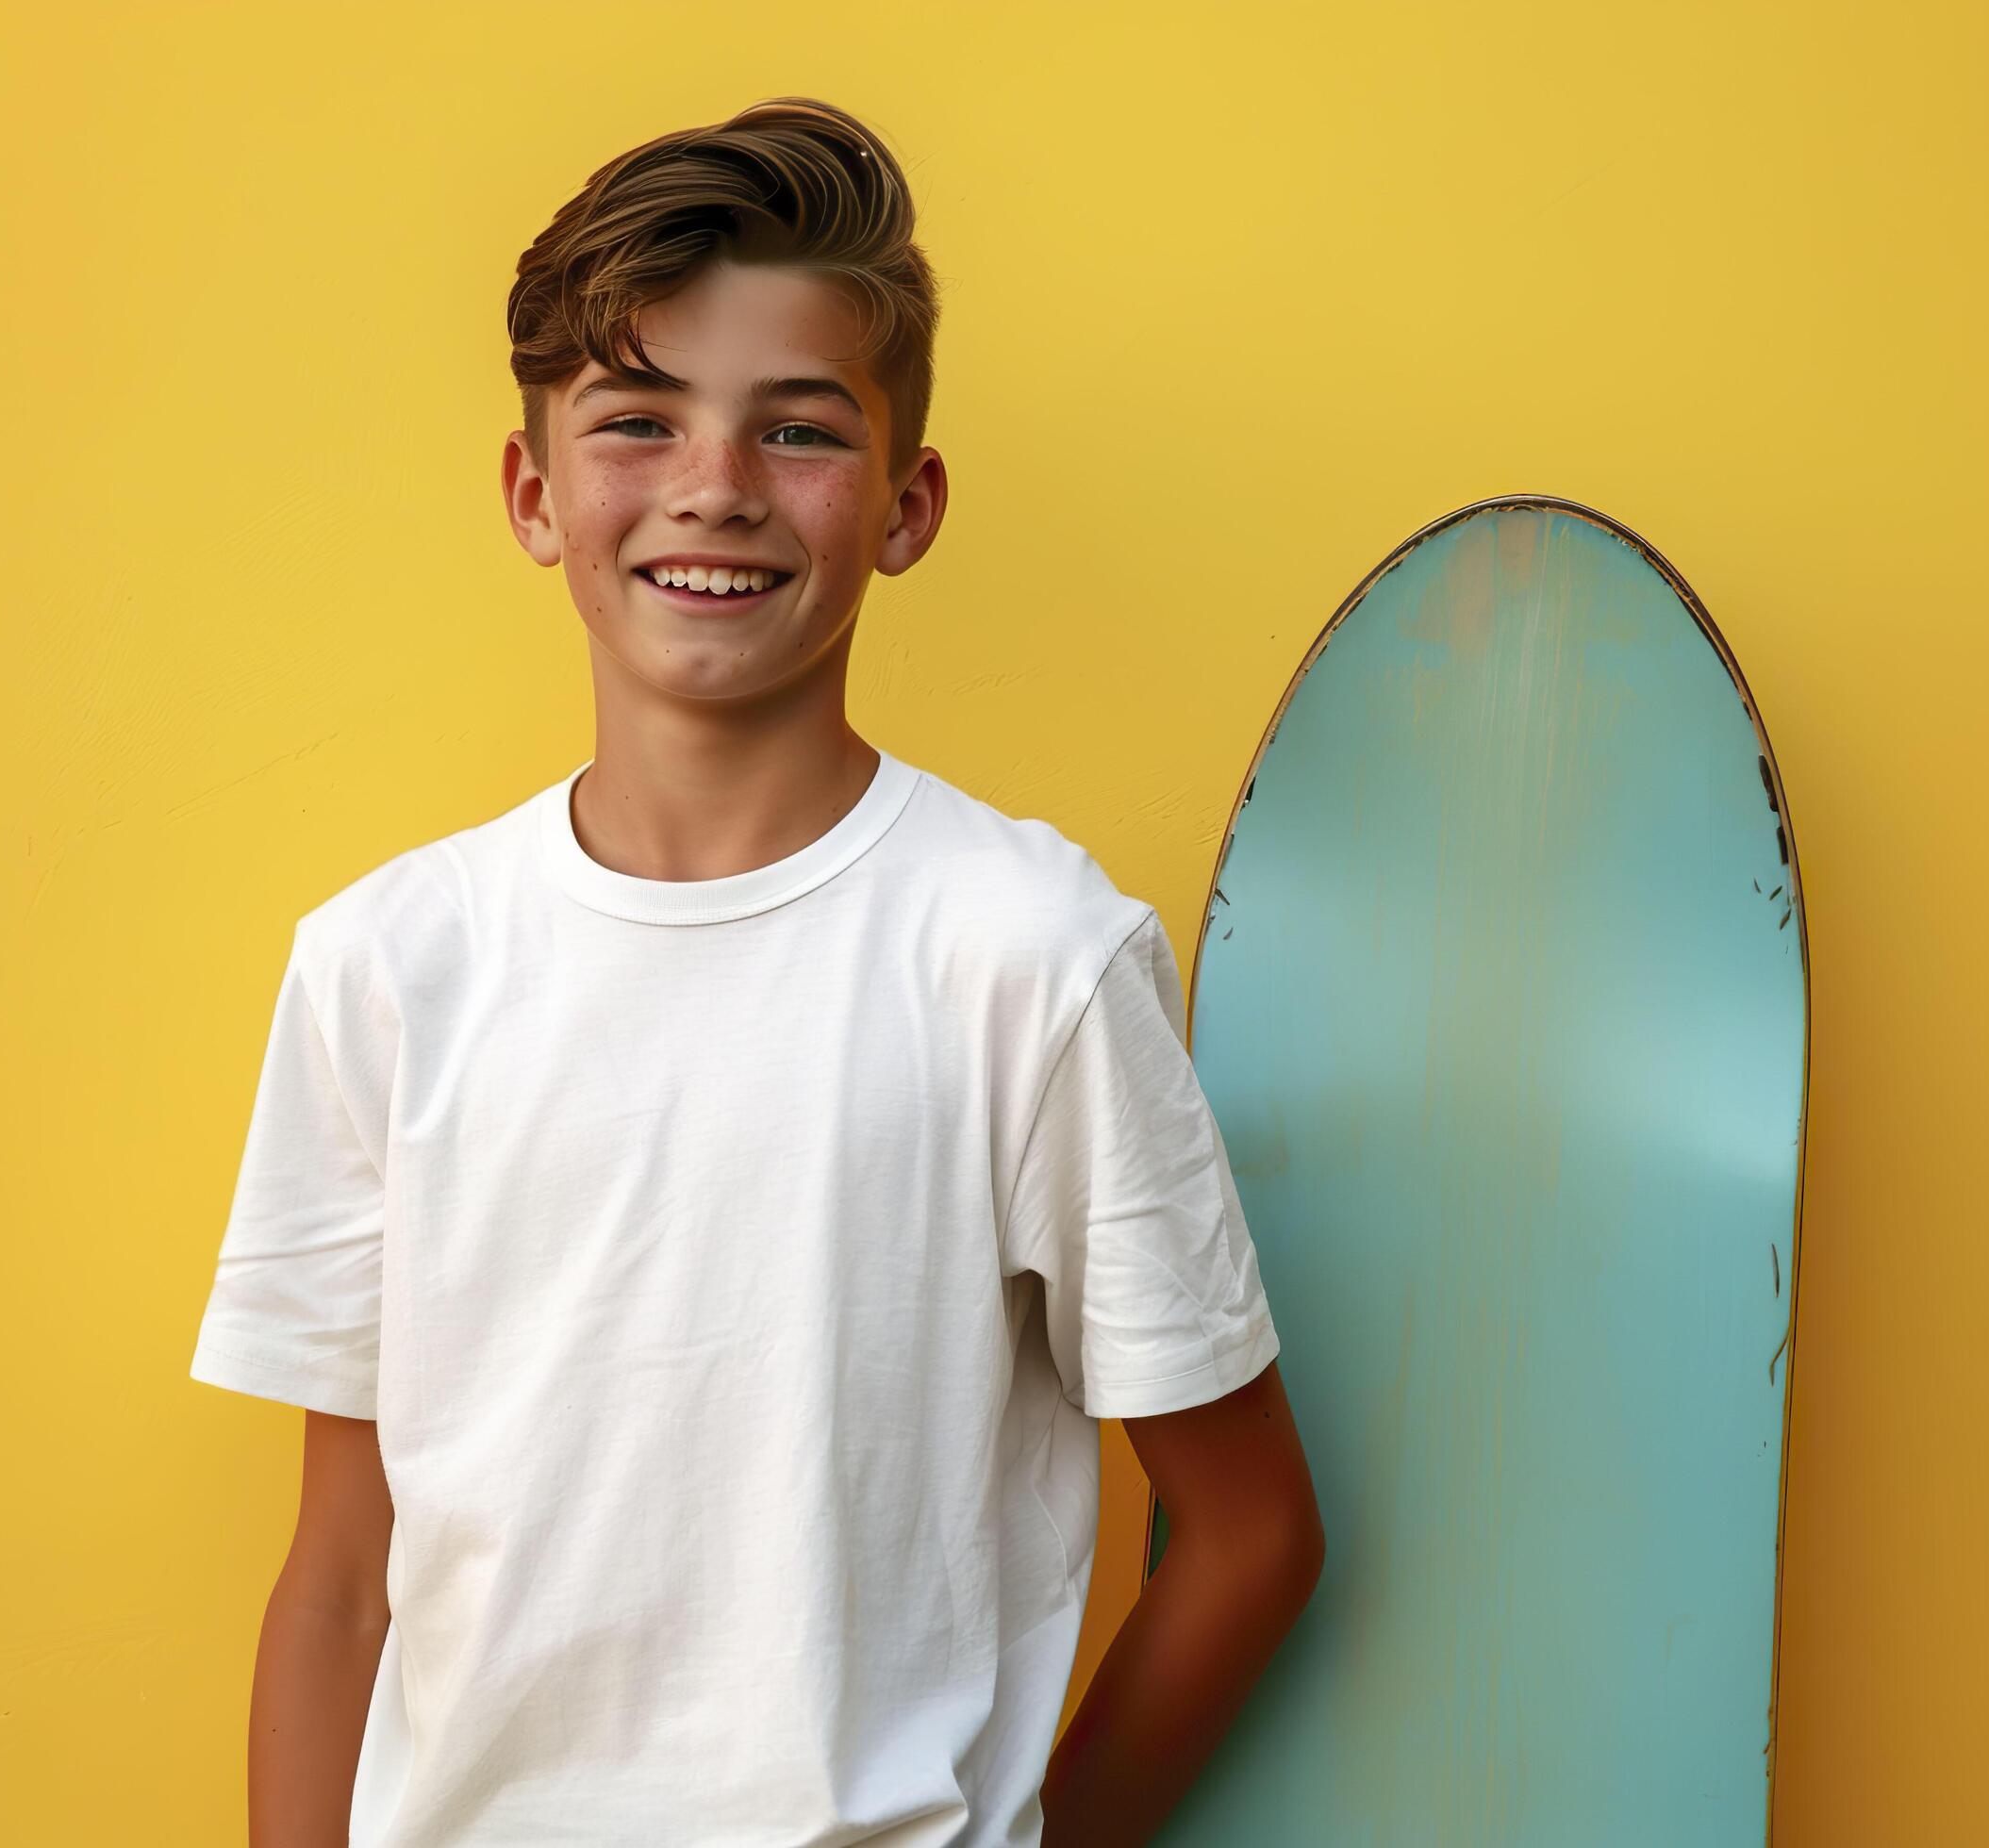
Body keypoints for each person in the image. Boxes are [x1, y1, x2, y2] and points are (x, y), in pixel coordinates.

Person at [189, 95, 1323, 1847]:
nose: (714, 486)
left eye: (797, 430)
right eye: (636, 420)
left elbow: (1251, 1531)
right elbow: (343, 1575)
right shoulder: (385, 969)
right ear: (533, 489)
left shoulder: (1032, 960)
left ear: (905, 501)